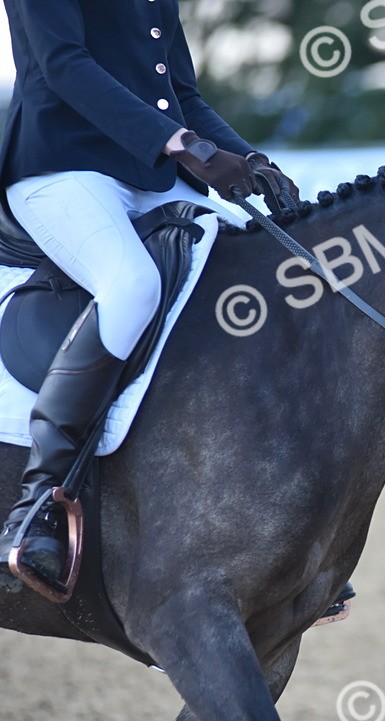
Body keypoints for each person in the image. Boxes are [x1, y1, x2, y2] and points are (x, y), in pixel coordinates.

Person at [0, 1, 299, 592]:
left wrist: (249, 159)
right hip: (62, 168)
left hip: (149, 175)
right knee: (132, 284)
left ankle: (268, 522)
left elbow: (179, 93)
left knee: (255, 271)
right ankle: (38, 503)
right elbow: (64, 64)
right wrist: (183, 145)